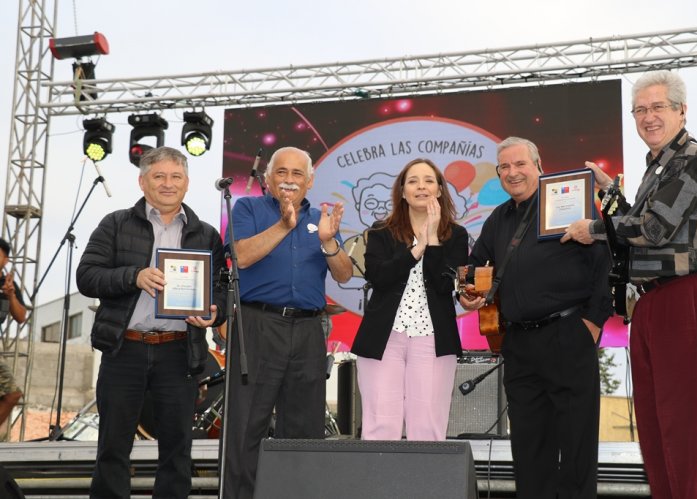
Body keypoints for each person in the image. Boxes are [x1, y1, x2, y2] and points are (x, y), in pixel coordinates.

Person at [562, 70, 697, 499]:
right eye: (640, 109)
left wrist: (594, 229)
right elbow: (643, 222)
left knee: (685, 426)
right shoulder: (658, 166)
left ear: (681, 110)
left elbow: (654, 229)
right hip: (652, 300)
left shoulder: (693, 157)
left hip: (687, 294)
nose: (648, 117)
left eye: (658, 107)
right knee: (655, 427)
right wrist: (610, 195)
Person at [460, 137, 611, 499]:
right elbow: (477, 269)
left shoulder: (569, 202)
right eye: (504, 167)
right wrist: (467, 294)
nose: (512, 173)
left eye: (520, 164)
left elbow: (604, 263)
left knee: (576, 451)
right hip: (519, 347)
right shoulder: (498, 219)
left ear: (539, 165)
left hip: (568, 336)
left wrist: (590, 324)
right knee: (529, 452)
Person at [76, 146, 227, 499]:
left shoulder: (206, 234)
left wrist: (213, 311)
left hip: (178, 354)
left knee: (177, 451)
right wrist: (134, 276)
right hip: (123, 349)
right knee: (112, 448)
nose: (168, 184)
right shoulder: (115, 224)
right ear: (143, 182)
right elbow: (87, 276)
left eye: (176, 177)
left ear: (187, 184)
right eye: (159, 176)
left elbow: (220, 288)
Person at [223, 146, 353, 498]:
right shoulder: (248, 208)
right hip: (257, 325)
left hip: (309, 330)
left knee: (305, 429)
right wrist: (284, 224)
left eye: (298, 174)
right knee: (246, 427)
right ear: (267, 179)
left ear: (310, 181)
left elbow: (343, 274)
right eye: (282, 172)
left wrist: (328, 242)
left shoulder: (322, 219)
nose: (290, 180)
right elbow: (242, 256)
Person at [350, 158, 468, 441]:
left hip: (433, 337)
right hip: (384, 337)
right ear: (402, 192)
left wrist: (435, 240)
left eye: (428, 180)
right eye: (413, 181)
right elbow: (379, 276)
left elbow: (443, 285)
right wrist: (418, 248)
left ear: (439, 190)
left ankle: (425, 485)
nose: (421, 187)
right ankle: (378, 485)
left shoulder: (456, 235)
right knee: (380, 424)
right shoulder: (381, 232)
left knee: (427, 425)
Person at [0, 238, 27, 430]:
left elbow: (20, 317)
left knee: (12, 394)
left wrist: (10, 295)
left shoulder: (9, 284)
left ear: (6, 259)